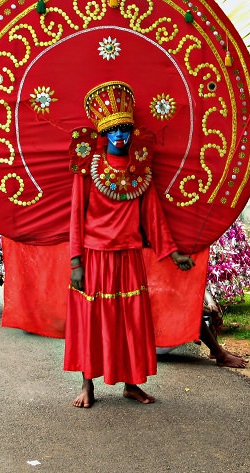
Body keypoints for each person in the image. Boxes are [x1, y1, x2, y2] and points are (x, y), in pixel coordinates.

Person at [64, 81, 195, 408]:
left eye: (125, 128)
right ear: (103, 134)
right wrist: (75, 262)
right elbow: (76, 217)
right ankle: (87, 384)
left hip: (129, 256)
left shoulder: (141, 171)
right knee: (92, 320)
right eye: (113, 130)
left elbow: (154, 217)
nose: (120, 135)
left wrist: (172, 251)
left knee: (131, 321)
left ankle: (131, 383)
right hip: (95, 257)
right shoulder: (88, 169)